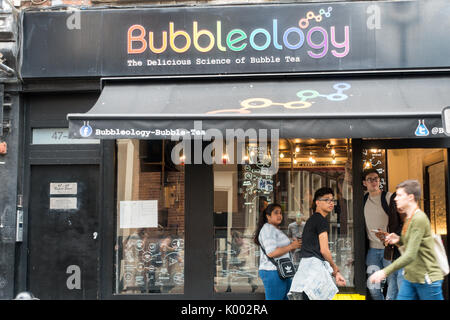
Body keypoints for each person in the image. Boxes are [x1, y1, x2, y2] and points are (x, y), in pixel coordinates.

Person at [369, 180, 444, 300]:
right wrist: (398, 239)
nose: (395, 199)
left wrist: (384, 272)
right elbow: (412, 243)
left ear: (410, 197)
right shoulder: (409, 218)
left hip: (426, 278)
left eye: (399, 195)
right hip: (411, 276)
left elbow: (410, 254)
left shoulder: (419, 218)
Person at [289, 187, 346, 300]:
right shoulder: (321, 220)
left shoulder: (312, 220)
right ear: (317, 202)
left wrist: (335, 273)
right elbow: (324, 250)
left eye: (332, 200)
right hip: (314, 270)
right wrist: (335, 268)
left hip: (307, 268)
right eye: (327, 200)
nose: (331, 203)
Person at [362, 168, 404, 300]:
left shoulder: (389, 197)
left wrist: (390, 236)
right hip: (373, 250)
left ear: (379, 180)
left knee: (392, 288)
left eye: (376, 179)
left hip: (389, 250)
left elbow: (400, 221)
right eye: (370, 179)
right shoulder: (363, 200)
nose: (374, 182)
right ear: (364, 183)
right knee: (373, 288)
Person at [254, 203, 301, 300]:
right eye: (276, 213)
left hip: (282, 271)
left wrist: (293, 246)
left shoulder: (275, 229)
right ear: (268, 216)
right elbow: (271, 253)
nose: (279, 215)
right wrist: (291, 246)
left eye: (280, 213)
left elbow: (282, 251)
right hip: (272, 271)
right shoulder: (267, 229)